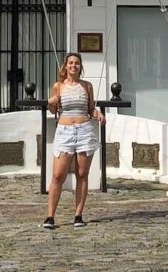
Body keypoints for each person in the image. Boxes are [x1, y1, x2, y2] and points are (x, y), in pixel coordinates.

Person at [42, 52, 105, 229]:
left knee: (82, 174)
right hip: (65, 132)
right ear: (66, 66)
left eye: (77, 63)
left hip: (84, 131)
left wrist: (98, 113)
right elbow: (53, 110)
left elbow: (90, 109)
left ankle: (78, 215)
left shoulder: (87, 86)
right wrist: (50, 102)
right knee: (57, 175)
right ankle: (50, 216)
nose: (73, 66)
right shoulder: (58, 86)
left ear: (80, 67)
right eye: (70, 63)